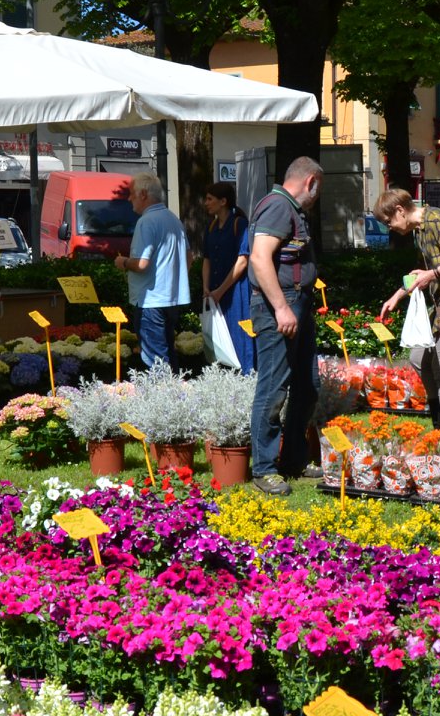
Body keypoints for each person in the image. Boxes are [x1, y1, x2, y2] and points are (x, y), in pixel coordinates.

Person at [373, 188, 440, 427]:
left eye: (388, 221)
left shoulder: (438, 220)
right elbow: (421, 273)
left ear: (400, 210)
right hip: (439, 304)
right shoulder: (419, 231)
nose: (389, 227)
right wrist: (396, 296)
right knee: (418, 358)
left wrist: (432, 274)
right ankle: (438, 422)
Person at [247, 156, 323, 496]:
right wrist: (281, 308)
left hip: (298, 306)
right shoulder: (279, 206)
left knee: (307, 385)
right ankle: (264, 468)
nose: (317, 196)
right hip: (280, 308)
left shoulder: (289, 208)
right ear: (310, 182)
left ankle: (293, 457)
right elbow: (259, 258)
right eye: (318, 189)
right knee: (274, 388)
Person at [113, 174, 189, 367]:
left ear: (144, 194)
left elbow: (141, 264)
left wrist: (123, 262)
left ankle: (161, 395)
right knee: (168, 354)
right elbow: (189, 258)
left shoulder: (146, 221)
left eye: (132, 194)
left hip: (150, 300)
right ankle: (174, 395)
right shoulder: (173, 219)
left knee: (155, 360)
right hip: (171, 298)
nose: (129, 199)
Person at [199, 182, 254, 372]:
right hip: (215, 291)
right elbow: (206, 259)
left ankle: (246, 374)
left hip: (235, 291)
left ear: (223, 201)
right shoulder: (211, 226)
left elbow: (243, 261)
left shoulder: (240, 224)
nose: (206, 203)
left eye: (209, 199)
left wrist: (220, 290)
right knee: (219, 338)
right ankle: (223, 377)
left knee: (238, 334)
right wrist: (206, 287)